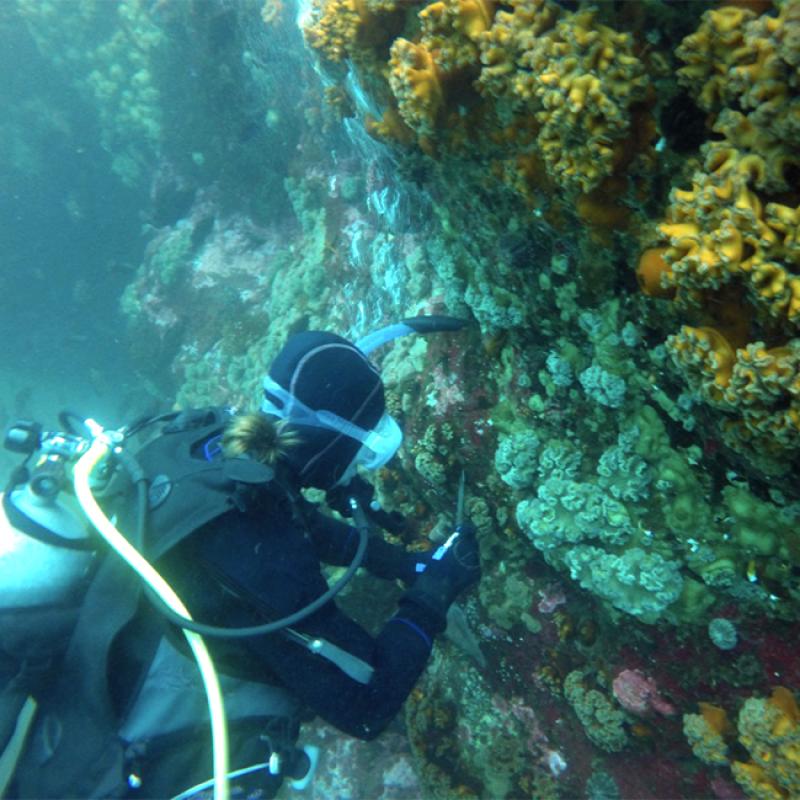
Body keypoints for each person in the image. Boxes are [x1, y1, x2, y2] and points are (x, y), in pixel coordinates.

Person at [0, 322, 481, 798]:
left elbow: (299, 519)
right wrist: (434, 593)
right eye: (363, 451)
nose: (359, 467)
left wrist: (404, 565)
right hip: (101, 774)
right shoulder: (261, 556)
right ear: (335, 443)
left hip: (74, 697)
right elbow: (367, 704)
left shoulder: (203, 441)